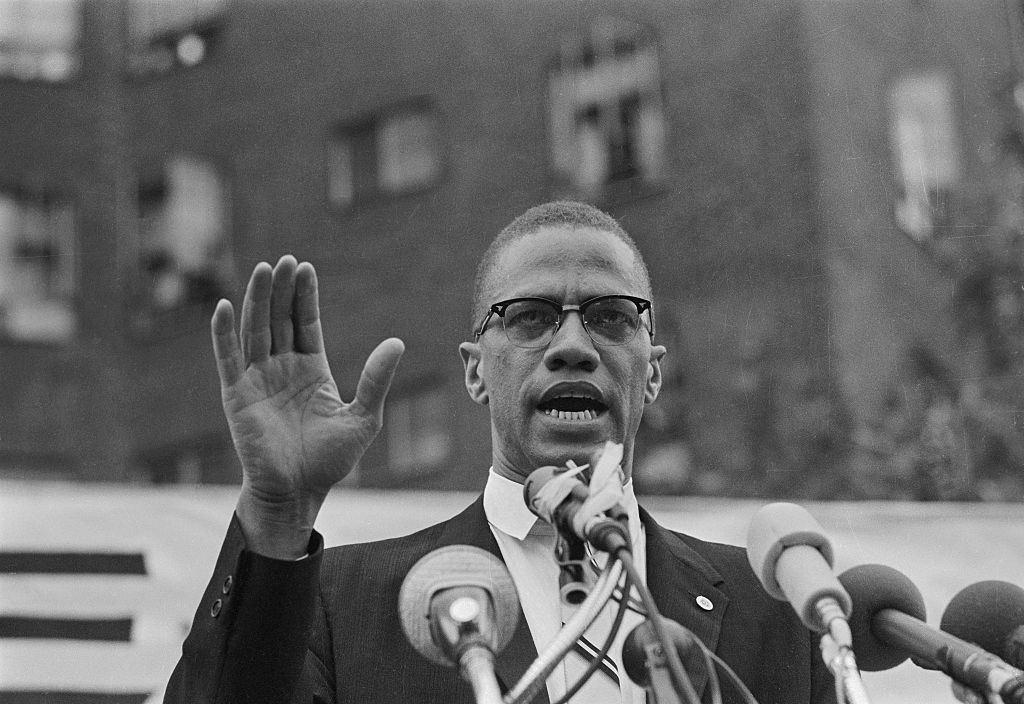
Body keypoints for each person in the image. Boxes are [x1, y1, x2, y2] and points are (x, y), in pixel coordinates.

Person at [165, 201, 836, 704]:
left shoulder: (777, 613)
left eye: (610, 316)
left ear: (651, 370)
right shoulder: (343, 605)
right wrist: (278, 513)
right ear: (476, 371)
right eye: (530, 317)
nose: (572, 346)